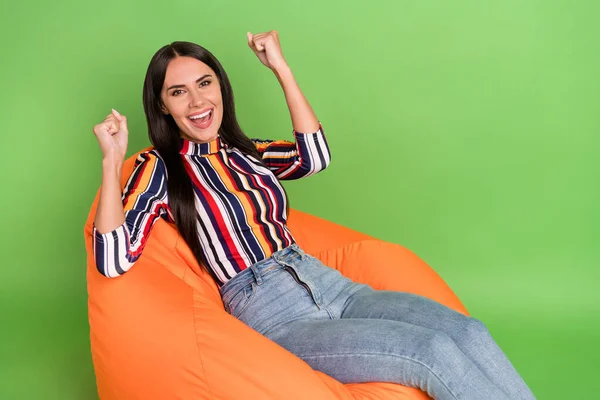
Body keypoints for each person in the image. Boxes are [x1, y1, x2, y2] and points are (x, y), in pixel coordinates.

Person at [91, 30, 535, 400]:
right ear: (163, 105)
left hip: (331, 285)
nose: (196, 101)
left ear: (221, 88)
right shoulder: (158, 166)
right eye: (178, 92)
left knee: (467, 332)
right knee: (429, 350)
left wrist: (281, 69)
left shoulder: (246, 152)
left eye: (205, 83)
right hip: (273, 312)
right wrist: (113, 161)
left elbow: (314, 155)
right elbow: (113, 258)